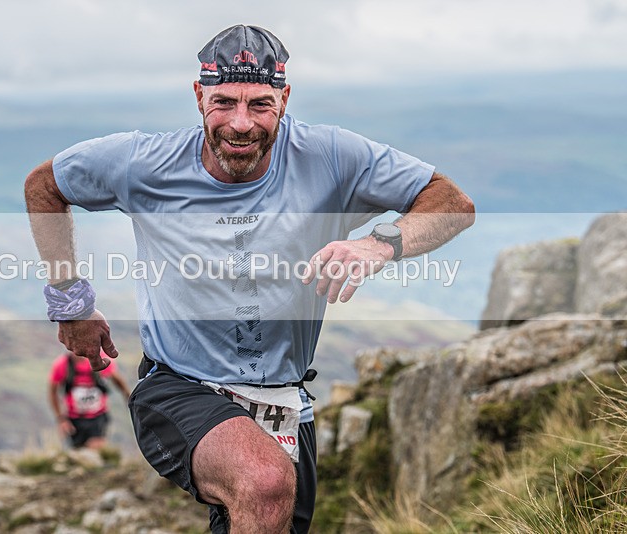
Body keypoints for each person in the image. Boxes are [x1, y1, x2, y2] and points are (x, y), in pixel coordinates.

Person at [25, 24, 475, 533]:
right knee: (264, 482)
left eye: (260, 104)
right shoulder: (144, 163)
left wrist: (378, 243)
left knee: (267, 507)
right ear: (199, 97)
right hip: (178, 385)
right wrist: (71, 303)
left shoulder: (330, 157)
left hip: (286, 400)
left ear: (285, 99)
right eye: (224, 102)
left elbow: (451, 202)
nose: (241, 124)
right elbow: (45, 185)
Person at [48, 350, 131, 450]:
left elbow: (116, 378)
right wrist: (61, 419)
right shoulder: (62, 365)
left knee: (96, 447)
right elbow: (53, 392)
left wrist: (129, 397)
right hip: (74, 418)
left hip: (97, 416)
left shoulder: (100, 360)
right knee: (79, 451)